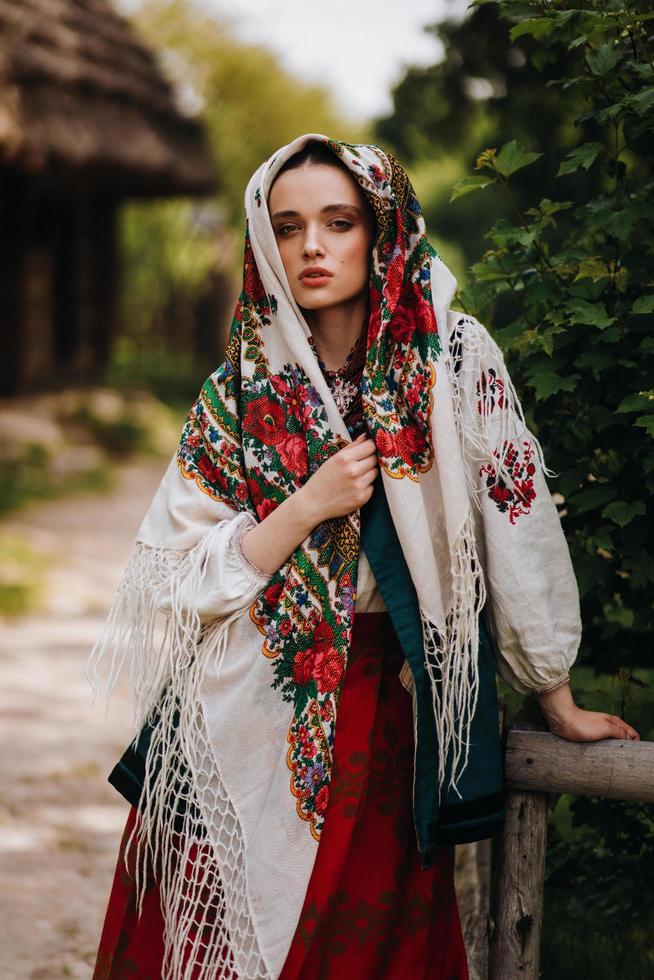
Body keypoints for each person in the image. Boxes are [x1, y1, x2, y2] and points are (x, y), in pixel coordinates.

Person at [89, 135, 639, 980]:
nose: (311, 246)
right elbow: (175, 577)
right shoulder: (238, 387)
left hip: (372, 725)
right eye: (288, 226)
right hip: (226, 718)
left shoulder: (450, 360)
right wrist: (306, 505)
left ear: (380, 230)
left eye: (337, 222)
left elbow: (516, 521)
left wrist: (553, 693)